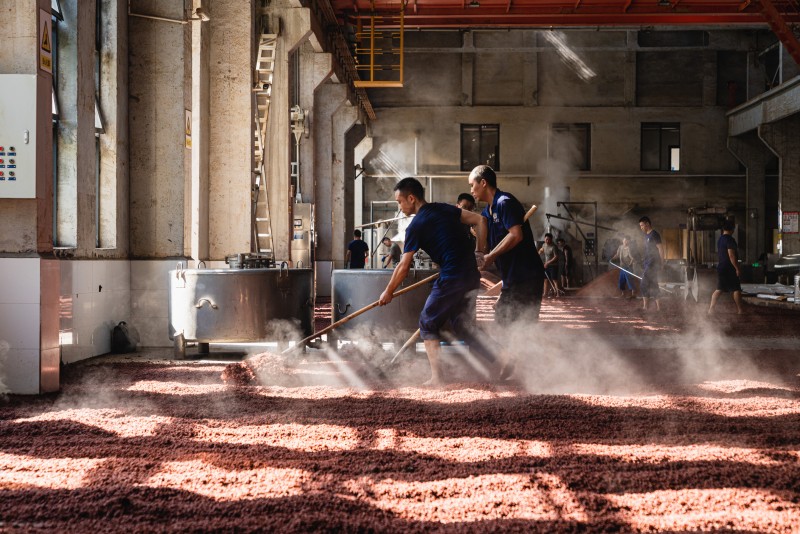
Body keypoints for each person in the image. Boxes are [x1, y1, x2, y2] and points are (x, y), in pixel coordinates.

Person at [378, 177, 498, 386]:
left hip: (452, 276)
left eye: (399, 201)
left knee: (427, 321)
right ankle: (503, 358)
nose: (399, 206)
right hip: (469, 274)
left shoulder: (415, 226)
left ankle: (438, 378)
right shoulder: (445, 208)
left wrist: (388, 291)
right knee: (463, 326)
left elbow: (403, 267)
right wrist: (479, 251)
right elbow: (481, 220)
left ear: (411, 198)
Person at [469, 165, 546, 379]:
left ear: (483, 182)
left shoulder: (505, 203)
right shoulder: (488, 211)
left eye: (472, 184)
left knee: (524, 323)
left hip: (527, 275)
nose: (472, 190)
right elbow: (483, 245)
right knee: (503, 317)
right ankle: (515, 361)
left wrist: (490, 257)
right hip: (511, 277)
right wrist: (479, 252)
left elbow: (516, 235)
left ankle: (534, 369)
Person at [708, 219, 745, 315]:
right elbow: (731, 256)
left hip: (721, 266)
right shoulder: (730, 239)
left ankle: (711, 309)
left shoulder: (720, 239)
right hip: (729, 267)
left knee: (719, 289)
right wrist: (737, 268)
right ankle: (740, 310)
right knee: (736, 289)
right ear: (732, 229)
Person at [638, 216, 664, 311]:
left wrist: (662, 263)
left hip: (653, 263)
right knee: (653, 284)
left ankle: (646, 307)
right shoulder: (646, 236)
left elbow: (660, 249)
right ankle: (659, 308)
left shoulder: (654, 234)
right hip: (647, 262)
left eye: (642, 225)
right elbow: (647, 250)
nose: (641, 228)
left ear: (647, 224)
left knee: (643, 284)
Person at [538, 233, 560, 297]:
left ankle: (557, 293)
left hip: (554, 265)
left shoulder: (554, 246)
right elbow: (541, 250)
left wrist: (548, 262)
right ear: (544, 239)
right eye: (546, 239)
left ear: (551, 239)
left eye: (549, 239)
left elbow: (556, 257)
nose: (547, 241)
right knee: (545, 279)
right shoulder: (544, 245)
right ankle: (545, 293)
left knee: (554, 279)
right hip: (546, 265)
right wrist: (538, 253)